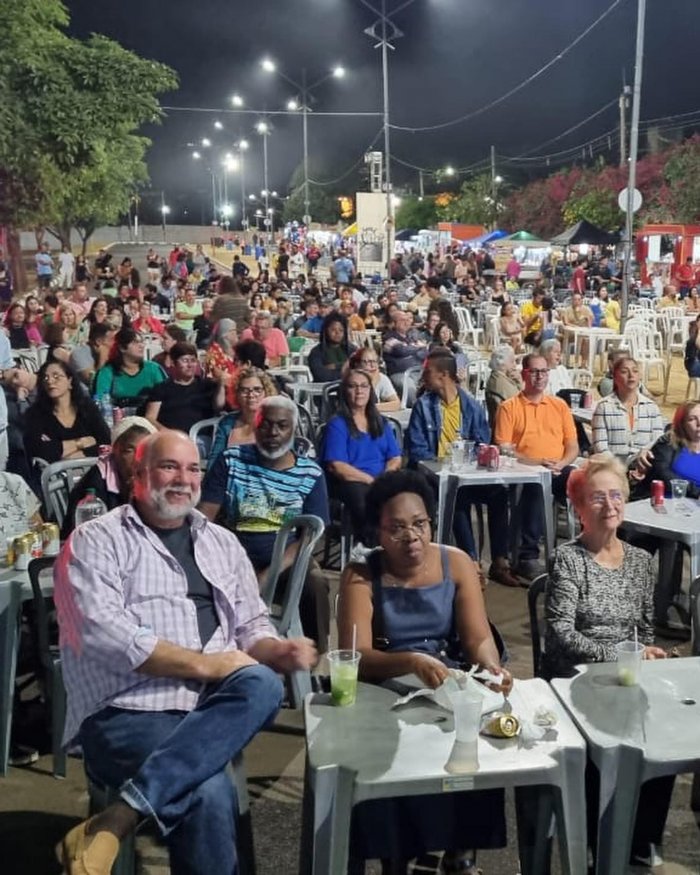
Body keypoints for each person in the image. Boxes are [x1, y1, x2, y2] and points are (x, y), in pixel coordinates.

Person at [54, 430, 316, 875]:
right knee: (207, 793)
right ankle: (124, 816)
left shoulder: (220, 542)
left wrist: (277, 649)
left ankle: (118, 818)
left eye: (193, 469)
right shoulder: (96, 540)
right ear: (138, 474)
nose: (184, 479)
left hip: (212, 706)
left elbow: (251, 625)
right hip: (127, 709)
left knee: (263, 683)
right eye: (169, 467)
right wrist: (206, 665)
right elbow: (107, 635)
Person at [337, 469, 511, 874]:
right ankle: (398, 856)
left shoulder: (457, 562)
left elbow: (477, 638)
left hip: (445, 680)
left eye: (419, 524)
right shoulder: (361, 574)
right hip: (384, 684)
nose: (411, 536)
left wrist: (491, 668)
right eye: (396, 528)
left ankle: (461, 852)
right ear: (378, 532)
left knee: (472, 740)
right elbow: (355, 656)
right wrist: (410, 660)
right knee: (391, 752)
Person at [543, 455, 672, 870]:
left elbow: (645, 631)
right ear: (579, 507)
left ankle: (640, 837)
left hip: (627, 675)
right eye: (597, 497)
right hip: (577, 680)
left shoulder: (641, 562)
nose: (609, 505)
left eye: (616, 495)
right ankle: (598, 841)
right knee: (603, 738)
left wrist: (647, 653)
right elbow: (561, 635)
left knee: (665, 734)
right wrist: (617, 654)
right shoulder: (568, 559)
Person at [199, 396, 331, 652]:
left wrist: (268, 574)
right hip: (234, 554)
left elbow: (309, 536)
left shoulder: (310, 473)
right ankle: (214, 651)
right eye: (265, 425)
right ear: (255, 427)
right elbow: (205, 518)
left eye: (282, 425)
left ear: (293, 429)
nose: (273, 432)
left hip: (286, 557)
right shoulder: (231, 460)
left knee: (315, 583)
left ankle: (313, 655)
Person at [406, 351, 521, 587]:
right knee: (456, 494)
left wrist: (471, 460)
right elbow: (417, 451)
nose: (423, 376)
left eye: (428, 372)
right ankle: (471, 563)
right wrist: (444, 465)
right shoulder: (423, 407)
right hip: (433, 476)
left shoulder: (471, 406)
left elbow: (482, 442)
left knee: (499, 493)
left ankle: (500, 561)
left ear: (444, 375)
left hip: (466, 472)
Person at [495, 353, 578, 579]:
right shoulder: (509, 407)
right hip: (525, 469)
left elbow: (572, 446)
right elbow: (504, 449)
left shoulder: (559, 406)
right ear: (524, 374)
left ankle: (586, 549)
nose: (539, 376)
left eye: (543, 371)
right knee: (537, 485)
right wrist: (537, 463)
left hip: (558, 467)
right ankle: (527, 556)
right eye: (534, 371)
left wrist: (560, 464)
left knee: (587, 482)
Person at [321, 369, 402, 542]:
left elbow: (395, 458)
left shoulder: (381, 421)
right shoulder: (337, 424)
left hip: (381, 478)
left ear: (370, 391)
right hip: (352, 482)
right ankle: (370, 546)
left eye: (364, 386)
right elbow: (337, 466)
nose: (359, 391)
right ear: (345, 391)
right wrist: (371, 481)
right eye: (353, 386)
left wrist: (385, 476)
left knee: (412, 488)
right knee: (362, 496)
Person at [61, 416, 157, 538]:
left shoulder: (158, 477)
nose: (138, 459)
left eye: (144, 451)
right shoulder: (94, 485)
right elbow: (89, 537)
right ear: (114, 451)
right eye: (129, 451)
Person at [24, 360, 110, 465]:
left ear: (70, 381)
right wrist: (81, 442)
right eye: (45, 378)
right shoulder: (35, 414)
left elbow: (105, 442)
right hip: (53, 474)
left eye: (56, 376)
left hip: (92, 468)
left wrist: (78, 456)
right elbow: (38, 451)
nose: (50, 381)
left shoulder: (87, 408)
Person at [591, 356, 664, 466]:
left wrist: (643, 459)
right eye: (624, 372)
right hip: (611, 467)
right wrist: (617, 469)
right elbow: (600, 446)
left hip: (644, 466)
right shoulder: (604, 407)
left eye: (635, 371)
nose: (631, 375)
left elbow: (657, 441)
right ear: (615, 377)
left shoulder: (651, 407)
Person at [144, 342, 225, 434]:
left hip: (201, 436)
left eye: (193, 360)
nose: (190, 365)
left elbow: (219, 407)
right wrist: (168, 433)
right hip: (171, 437)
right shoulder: (161, 388)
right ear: (173, 363)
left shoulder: (207, 385)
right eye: (185, 360)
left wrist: (221, 383)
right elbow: (150, 418)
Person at [207, 367, 277, 467]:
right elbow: (214, 461)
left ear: (266, 392)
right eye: (244, 390)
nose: (251, 395)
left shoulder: (275, 422)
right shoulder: (227, 423)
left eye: (257, 390)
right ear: (237, 394)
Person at [93, 327, 167, 411]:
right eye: (135, 342)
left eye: (141, 342)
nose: (141, 345)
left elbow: (167, 395)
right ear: (122, 348)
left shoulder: (153, 368)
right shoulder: (107, 372)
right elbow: (100, 402)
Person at [308, 312, 356, 382]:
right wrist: (347, 370)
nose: (337, 333)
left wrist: (336, 366)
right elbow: (322, 376)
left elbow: (360, 371)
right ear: (325, 331)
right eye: (333, 330)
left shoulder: (352, 350)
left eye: (341, 330)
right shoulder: (316, 352)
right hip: (323, 388)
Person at [348, 348, 400, 412]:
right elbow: (359, 407)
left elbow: (396, 404)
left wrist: (374, 407)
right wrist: (372, 384)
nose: (372, 366)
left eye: (374, 361)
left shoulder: (381, 378)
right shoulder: (352, 381)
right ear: (357, 364)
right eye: (367, 362)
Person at [485, 345, 522, 432]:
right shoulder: (499, 382)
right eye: (512, 361)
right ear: (502, 364)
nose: (515, 365)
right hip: (506, 429)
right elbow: (521, 402)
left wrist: (518, 380)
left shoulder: (500, 377)